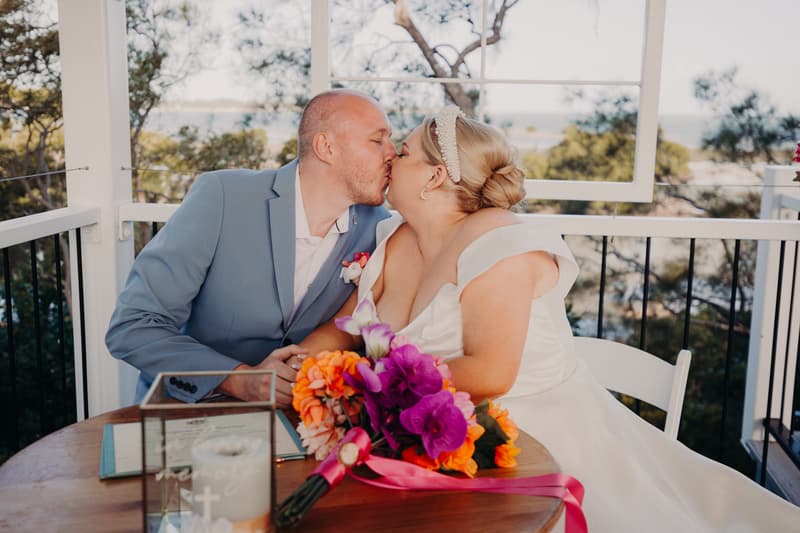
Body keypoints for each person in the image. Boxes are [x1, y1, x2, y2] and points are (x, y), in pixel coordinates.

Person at [300, 105, 800, 531]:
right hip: (423, 432)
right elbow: (348, 327)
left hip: (533, 442)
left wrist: (370, 390)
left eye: (402, 151)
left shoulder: (503, 244)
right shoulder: (395, 238)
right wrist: (298, 362)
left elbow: (493, 373)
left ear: (434, 176)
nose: (391, 156)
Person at [105, 89, 395, 407]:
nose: (392, 153)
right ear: (326, 147)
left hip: (300, 419)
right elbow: (134, 325)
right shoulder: (223, 198)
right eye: (377, 140)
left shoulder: (379, 227)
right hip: (192, 411)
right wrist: (238, 379)